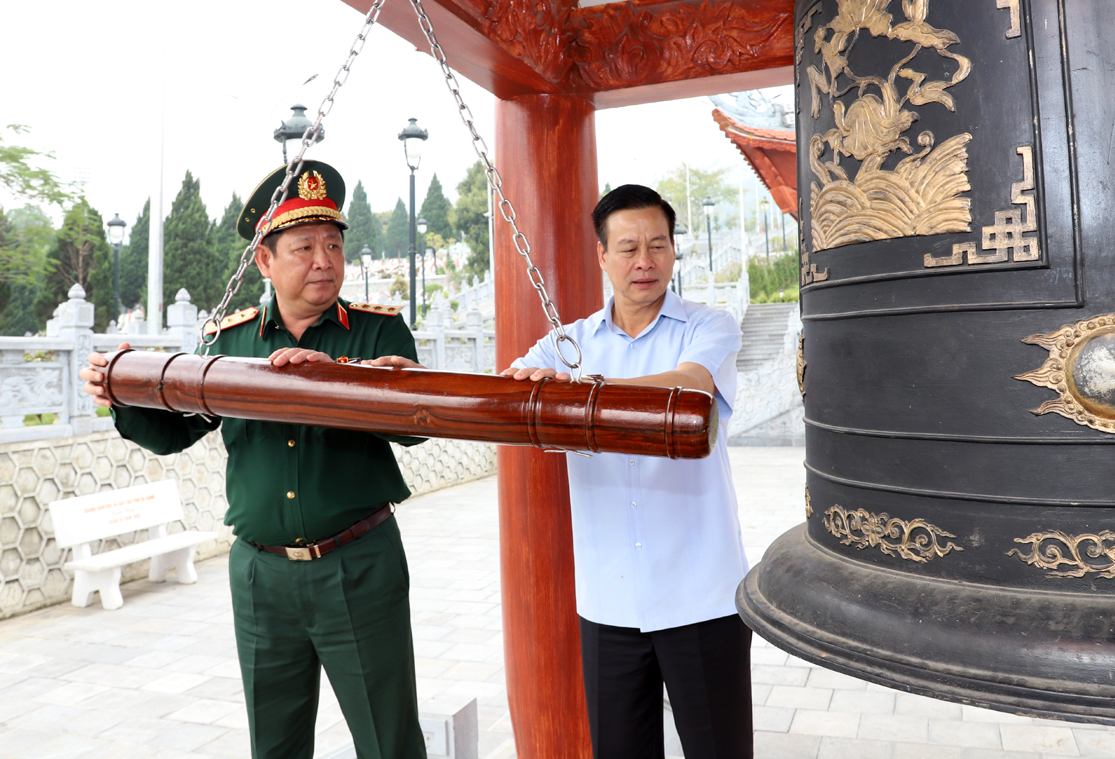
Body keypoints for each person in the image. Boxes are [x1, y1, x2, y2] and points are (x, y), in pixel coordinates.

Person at [79, 161, 428, 759]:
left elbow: (417, 425)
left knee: (388, 740)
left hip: (359, 567)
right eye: (304, 247)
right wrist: (122, 393)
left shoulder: (378, 334)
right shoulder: (228, 342)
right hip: (260, 576)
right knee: (274, 744)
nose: (324, 259)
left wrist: (341, 379)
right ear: (264, 261)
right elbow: (175, 432)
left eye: (334, 245)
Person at [503, 184, 753, 759]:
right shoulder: (566, 344)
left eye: (658, 245)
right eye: (628, 247)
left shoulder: (708, 326)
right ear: (602, 255)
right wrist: (406, 375)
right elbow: (506, 395)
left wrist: (581, 393)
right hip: (608, 601)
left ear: (673, 251)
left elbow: (690, 383)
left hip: (702, 597)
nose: (645, 261)